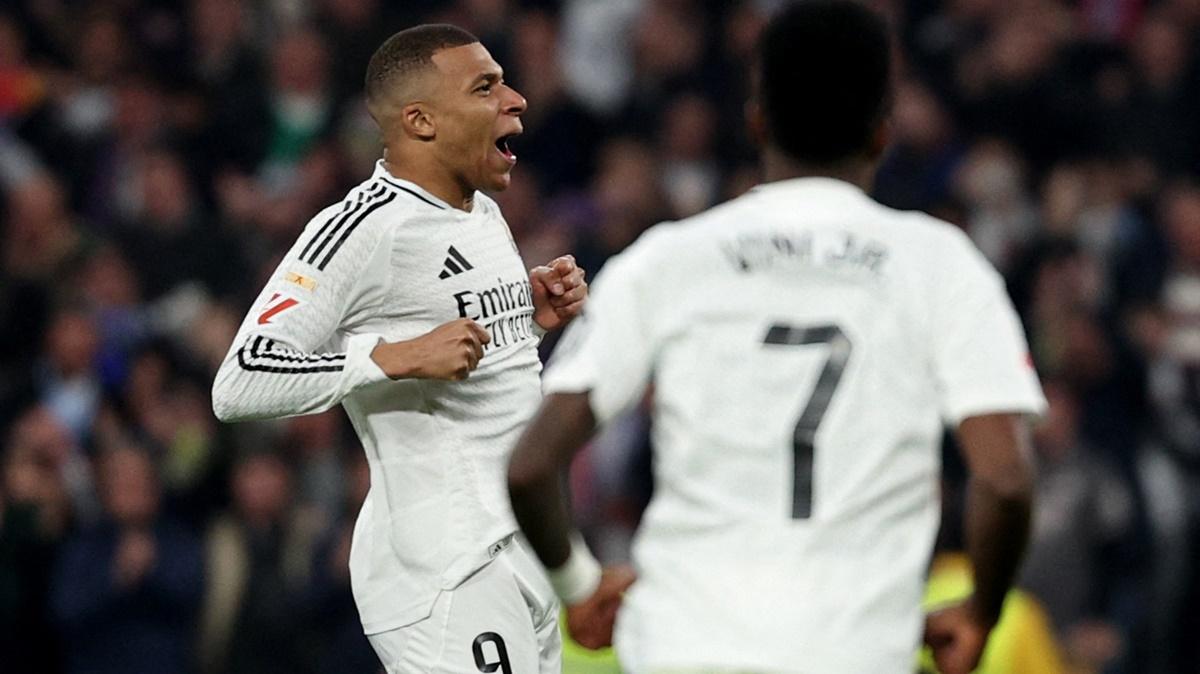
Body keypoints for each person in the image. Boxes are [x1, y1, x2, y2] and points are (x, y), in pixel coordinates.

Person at [506, 3, 1045, 673]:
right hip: (853, 648)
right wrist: (980, 610)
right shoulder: (940, 263)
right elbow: (1005, 476)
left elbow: (531, 464)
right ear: (883, 129)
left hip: (683, 644)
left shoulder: (670, 259)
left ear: (756, 118)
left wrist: (579, 588)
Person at [211, 24, 587, 674]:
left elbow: (462, 359)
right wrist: (389, 357)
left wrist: (526, 320)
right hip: (444, 568)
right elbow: (240, 381)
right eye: (485, 87)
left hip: (518, 548)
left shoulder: (482, 212)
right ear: (421, 121)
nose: (517, 100)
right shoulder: (359, 228)